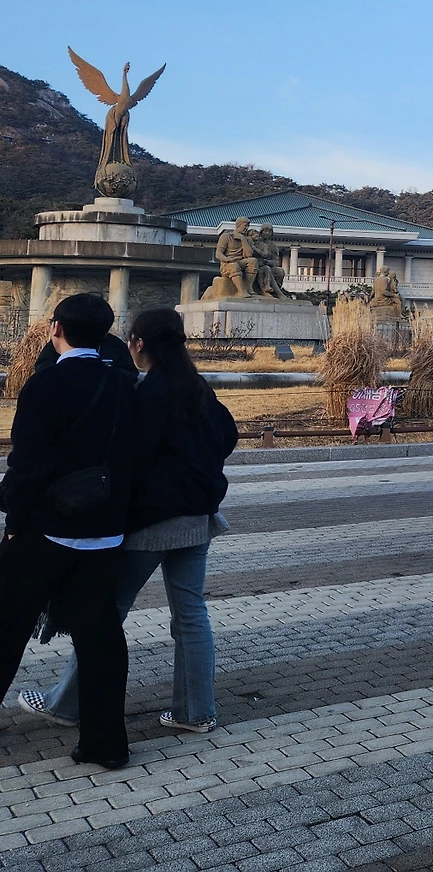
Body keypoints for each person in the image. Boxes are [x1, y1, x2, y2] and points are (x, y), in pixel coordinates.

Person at [19, 308, 238, 736]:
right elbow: (226, 436)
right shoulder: (196, 386)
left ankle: (66, 704)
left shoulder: (148, 392)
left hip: (154, 522)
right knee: (191, 614)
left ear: (138, 344)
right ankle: (196, 712)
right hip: (198, 519)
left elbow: (130, 457)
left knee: (106, 613)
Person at [0, 293, 140, 769]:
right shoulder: (124, 384)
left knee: (7, 626)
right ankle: (106, 744)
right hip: (105, 533)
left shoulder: (45, 386)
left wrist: (15, 523)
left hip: (46, 529)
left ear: (55, 328)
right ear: (105, 334)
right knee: (100, 639)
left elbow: (27, 466)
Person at [32, 328, 137, 377]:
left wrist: (105, 372)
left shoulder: (114, 344)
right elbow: (42, 366)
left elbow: (131, 374)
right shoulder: (62, 340)